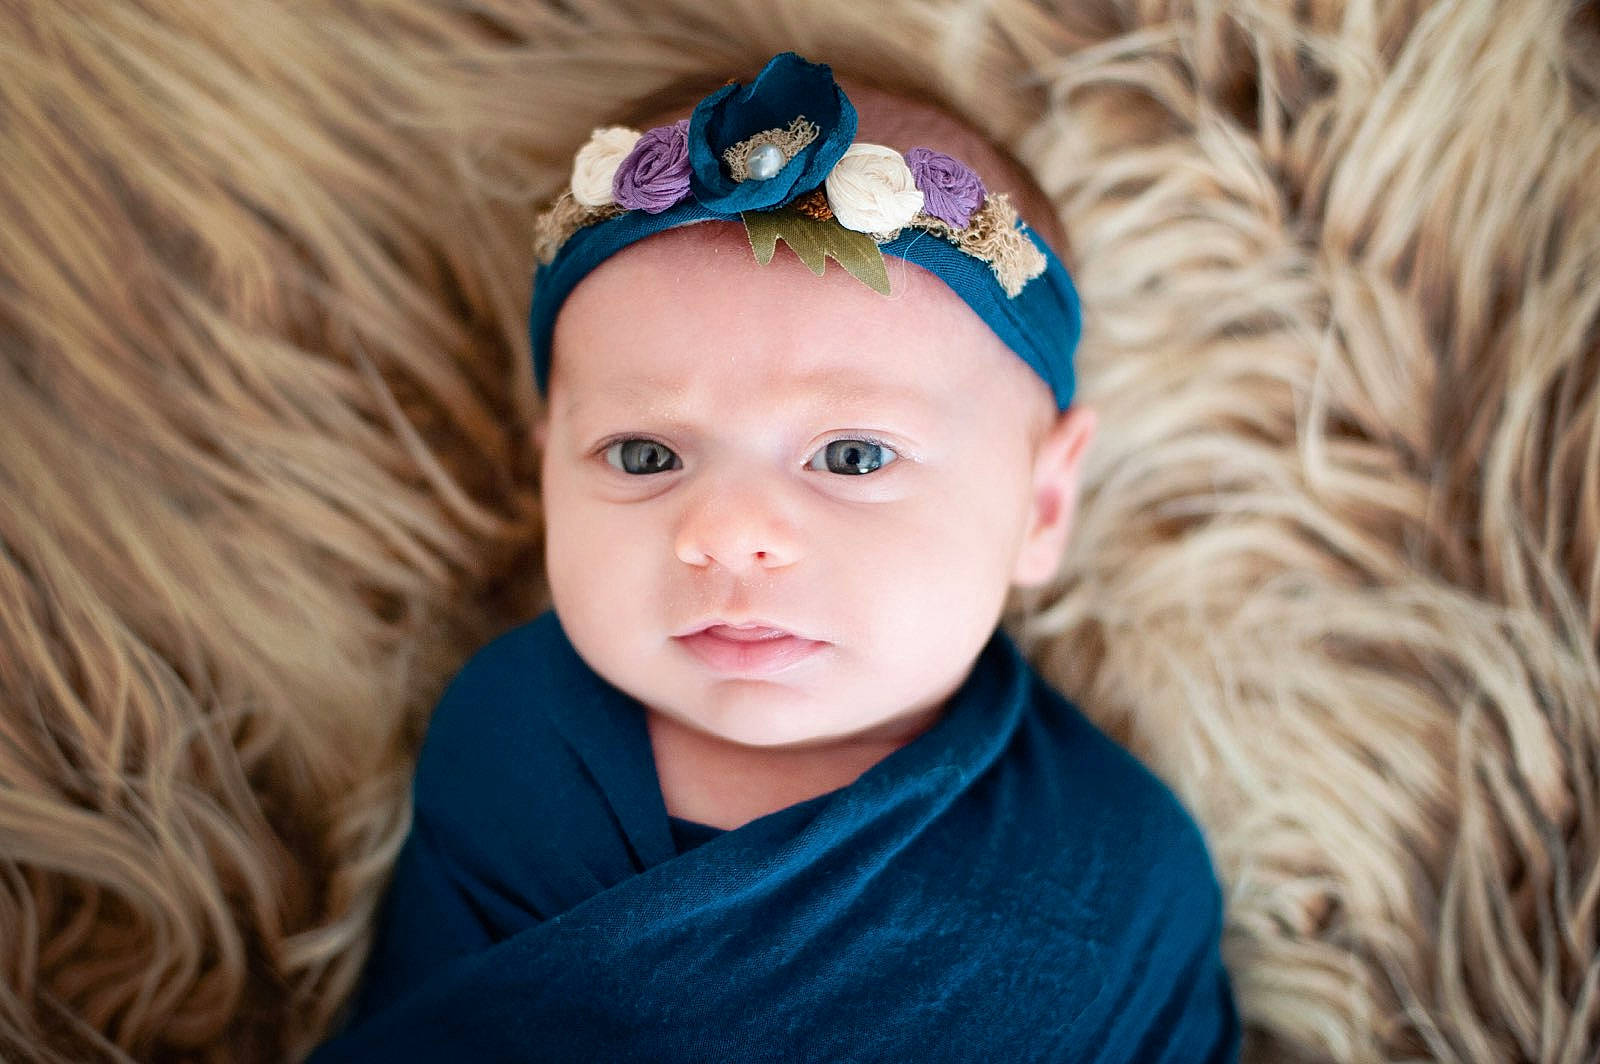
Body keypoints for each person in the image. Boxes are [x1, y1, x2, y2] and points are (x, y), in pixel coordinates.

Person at [309, 51, 1241, 1063]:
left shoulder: (1118, 861)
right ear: (546, 481)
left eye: (850, 455)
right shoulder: (511, 741)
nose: (725, 532)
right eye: (643, 454)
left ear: (1042, 504)